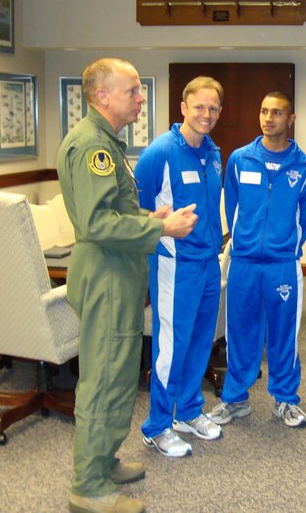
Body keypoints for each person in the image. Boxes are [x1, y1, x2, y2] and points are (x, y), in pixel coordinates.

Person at [58, 58, 197, 513]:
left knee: (118, 374)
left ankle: (102, 462)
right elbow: (97, 222)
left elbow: (114, 211)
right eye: (133, 91)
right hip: (106, 275)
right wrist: (162, 231)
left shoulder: (108, 143)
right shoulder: (93, 147)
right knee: (103, 379)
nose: (141, 98)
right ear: (103, 96)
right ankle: (87, 487)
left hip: (117, 270)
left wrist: (147, 218)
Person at [208, 92, 306, 428]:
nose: (268, 118)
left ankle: (285, 399)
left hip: (282, 265)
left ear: (291, 119)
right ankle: (235, 399)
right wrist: (244, 242)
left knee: (284, 334)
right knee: (240, 333)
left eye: (277, 112)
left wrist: (285, 246)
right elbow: (232, 209)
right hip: (243, 263)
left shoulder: (304, 167)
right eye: (264, 110)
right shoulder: (241, 159)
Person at [134, 76, 225, 457]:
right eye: (199, 107)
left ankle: (188, 410)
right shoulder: (160, 152)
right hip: (174, 264)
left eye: (213, 108)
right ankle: (156, 425)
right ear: (183, 107)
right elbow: (131, 210)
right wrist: (157, 223)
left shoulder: (213, 152)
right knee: (172, 346)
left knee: (201, 340)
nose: (206, 115)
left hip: (207, 262)